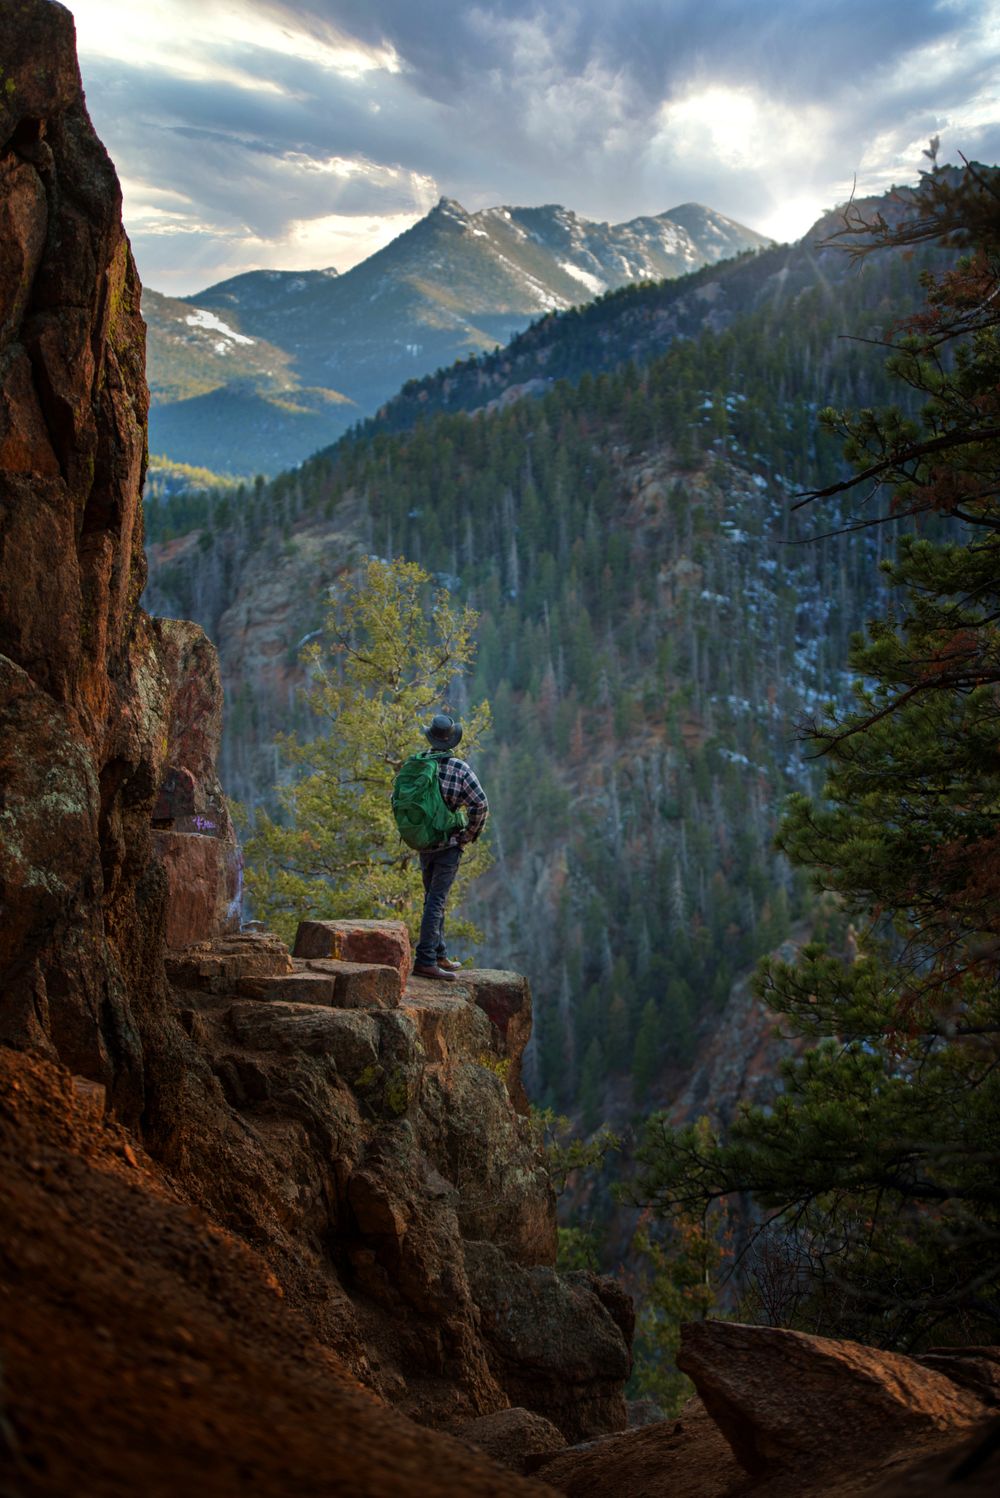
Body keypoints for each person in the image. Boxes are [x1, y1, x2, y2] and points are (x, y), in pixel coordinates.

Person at [411, 713, 489, 981]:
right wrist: (468, 834)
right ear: (451, 738)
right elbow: (480, 804)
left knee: (432, 897)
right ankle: (425, 960)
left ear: (431, 737)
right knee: (436, 901)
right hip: (449, 845)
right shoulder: (459, 768)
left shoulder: (418, 765)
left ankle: (438, 952)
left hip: (424, 844)